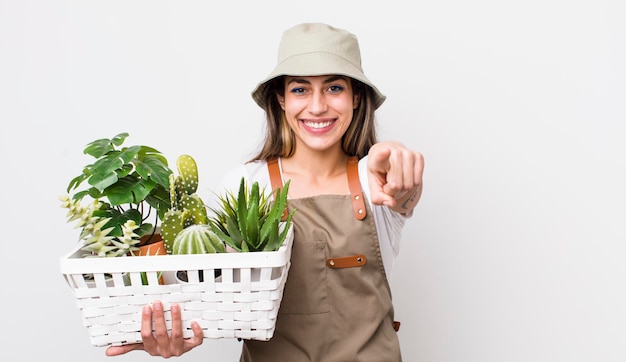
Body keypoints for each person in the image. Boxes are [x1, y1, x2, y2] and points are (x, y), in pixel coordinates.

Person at [106, 22, 424, 361]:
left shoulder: (377, 183)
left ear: (356, 98)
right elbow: (201, 290)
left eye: (334, 88)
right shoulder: (245, 186)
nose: (317, 107)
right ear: (281, 99)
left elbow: (398, 180)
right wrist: (174, 332)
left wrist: (391, 155)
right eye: (300, 89)